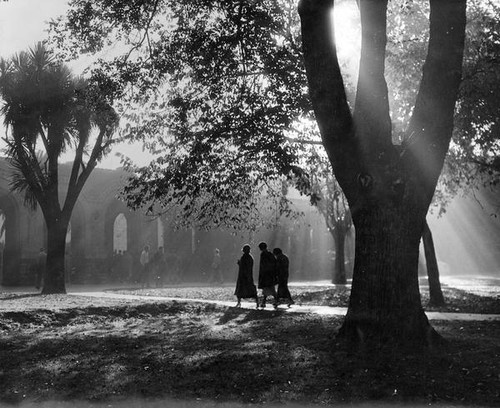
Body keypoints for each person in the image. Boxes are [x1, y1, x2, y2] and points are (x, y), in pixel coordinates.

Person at [257, 242, 278, 309]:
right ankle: (267, 302)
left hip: (266, 274)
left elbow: (263, 265)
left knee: (267, 288)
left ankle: (265, 302)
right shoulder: (270, 254)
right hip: (270, 274)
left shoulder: (263, 254)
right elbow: (274, 262)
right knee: (270, 288)